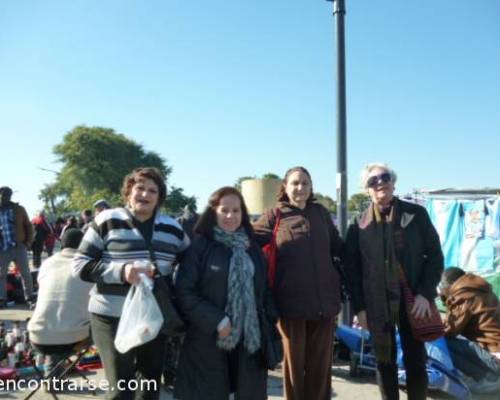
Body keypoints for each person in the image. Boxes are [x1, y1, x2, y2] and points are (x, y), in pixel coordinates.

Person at [73, 167, 190, 400]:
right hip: (110, 316)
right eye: (139, 188)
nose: (145, 194)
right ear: (128, 192)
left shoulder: (173, 228)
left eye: (152, 190)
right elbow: (79, 265)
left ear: (159, 198)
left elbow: (191, 263)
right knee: (120, 388)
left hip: (154, 317)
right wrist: (121, 271)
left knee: (149, 386)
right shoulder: (107, 220)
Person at [344, 163, 444, 400]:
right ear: (366, 189)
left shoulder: (416, 214)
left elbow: (435, 256)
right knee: (384, 361)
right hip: (376, 302)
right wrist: (359, 308)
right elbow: (351, 271)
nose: (380, 183)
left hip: (413, 299)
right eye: (373, 181)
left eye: (384, 177)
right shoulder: (358, 224)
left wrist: (425, 293)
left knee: (416, 360)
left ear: (393, 181)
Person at [174, 186, 276, 400]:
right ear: (213, 212)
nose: (231, 216)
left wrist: (267, 320)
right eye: (224, 210)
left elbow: (264, 289)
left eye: (236, 210)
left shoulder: (252, 247)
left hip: (249, 345)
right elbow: (185, 292)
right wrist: (217, 321)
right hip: (207, 342)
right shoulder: (200, 246)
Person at [253, 166, 343, 400]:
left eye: (305, 183)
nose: (300, 187)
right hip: (290, 307)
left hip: (325, 305)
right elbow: (248, 240)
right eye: (295, 183)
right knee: (294, 369)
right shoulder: (275, 215)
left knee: (321, 369)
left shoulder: (321, 213)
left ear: (311, 187)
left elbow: (339, 248)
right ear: (285, 187)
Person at [28, 228, 92, 377]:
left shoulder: (47, 263)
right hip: (71, 340)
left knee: (56, 320)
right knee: (105, 324)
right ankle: (120, 379)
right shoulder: (88, 265)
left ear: (62, 245)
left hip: (37, 337)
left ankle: (53, 376)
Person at [440, 267, 500, 392]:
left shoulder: (463, 296)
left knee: (440, 342)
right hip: (496, 351)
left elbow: (449, 331)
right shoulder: (482, 288)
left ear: (449, 286)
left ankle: (486, 378)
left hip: (495, 359)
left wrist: (446, 299)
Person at [0, 186, 34, 308]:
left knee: (25, 273)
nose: (4, 197)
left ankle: (29, 298)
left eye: (7, 195)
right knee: (1, 274)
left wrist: (28, 243)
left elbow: (29, 226)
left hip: (19, 246)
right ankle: (2, 299)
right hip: (3, 249)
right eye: (3, 195)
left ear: (10, 196)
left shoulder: (19, 209)